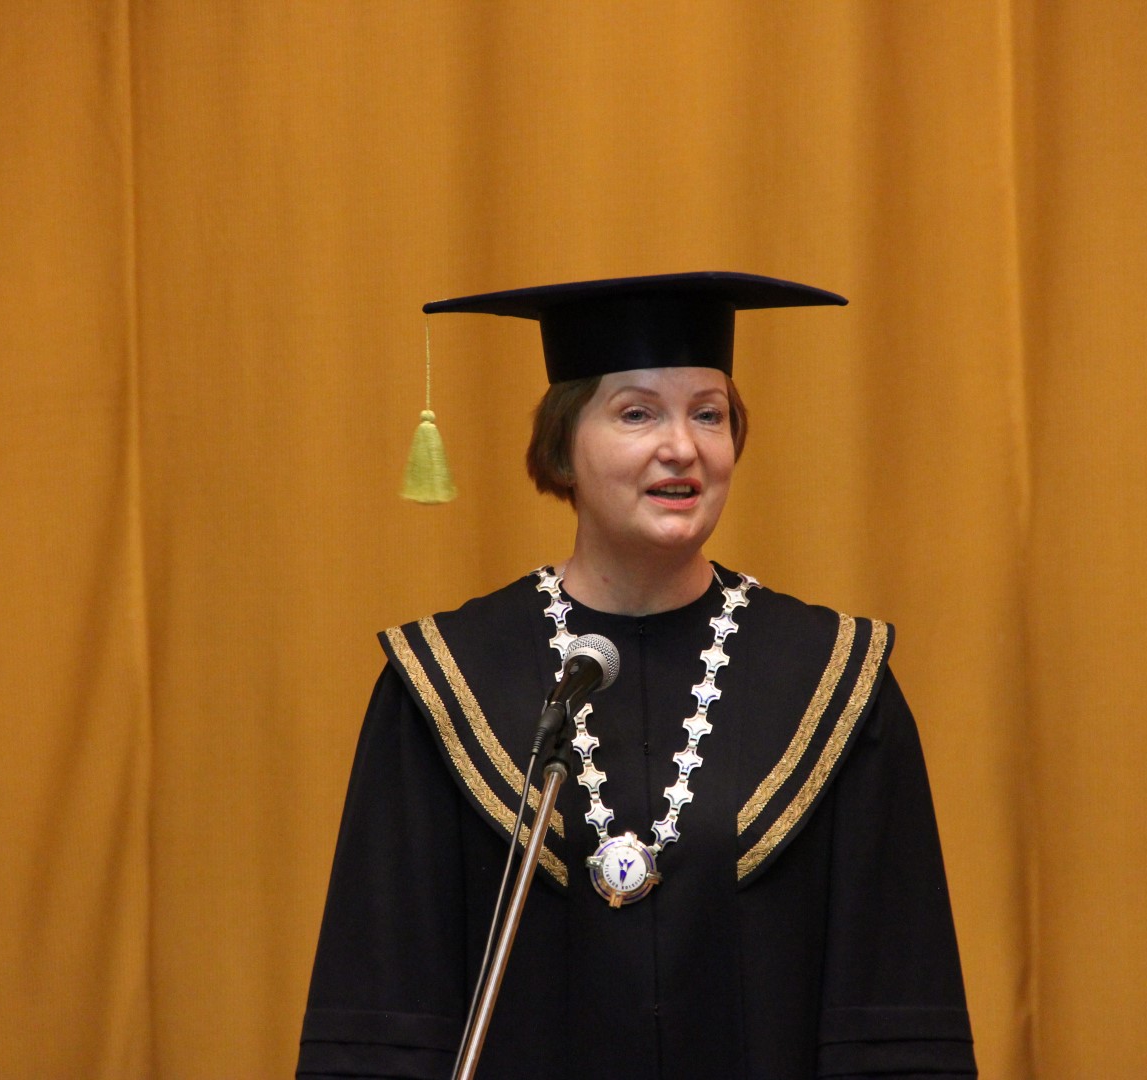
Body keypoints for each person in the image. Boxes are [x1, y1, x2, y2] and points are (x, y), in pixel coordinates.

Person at [297, 273, 975, 1080]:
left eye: (709, 415)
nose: (682, 447)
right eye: (637, 413)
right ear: (562, 448)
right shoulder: (447, 680)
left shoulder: (834, 679)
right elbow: (381, 1020)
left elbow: (894, 1017)